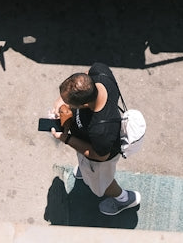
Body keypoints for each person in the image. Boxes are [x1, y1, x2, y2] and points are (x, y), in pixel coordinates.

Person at [50, 63, 141, 215]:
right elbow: (88, 72)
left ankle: (124, 199)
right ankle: (85, 171)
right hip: (87, 143)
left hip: (99, 160)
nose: (67, 105)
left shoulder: (101, 130)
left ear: (84, 104)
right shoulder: (101, 74)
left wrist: (66, 139)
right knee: (84, 164)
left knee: (101, 184)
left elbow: (99, 155)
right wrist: (61, 101)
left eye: (70, 104)